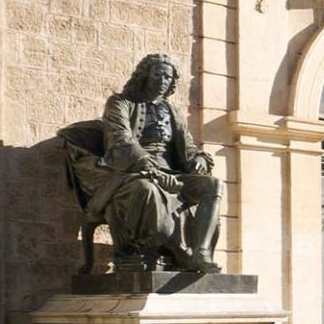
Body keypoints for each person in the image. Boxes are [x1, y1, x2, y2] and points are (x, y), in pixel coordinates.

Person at [59, 54, 223, 273]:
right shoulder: (120, 103)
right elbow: (121, 139)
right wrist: (148, 166)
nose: (163, 80)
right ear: (145, 75)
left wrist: (199, 160)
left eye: (168, 77)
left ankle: (200, 253)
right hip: (129, 170)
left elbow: (188, 148)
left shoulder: (173, 112)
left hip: (171, 173)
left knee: (213, 186)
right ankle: (175, 251)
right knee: (147, 190)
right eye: (158, 74)